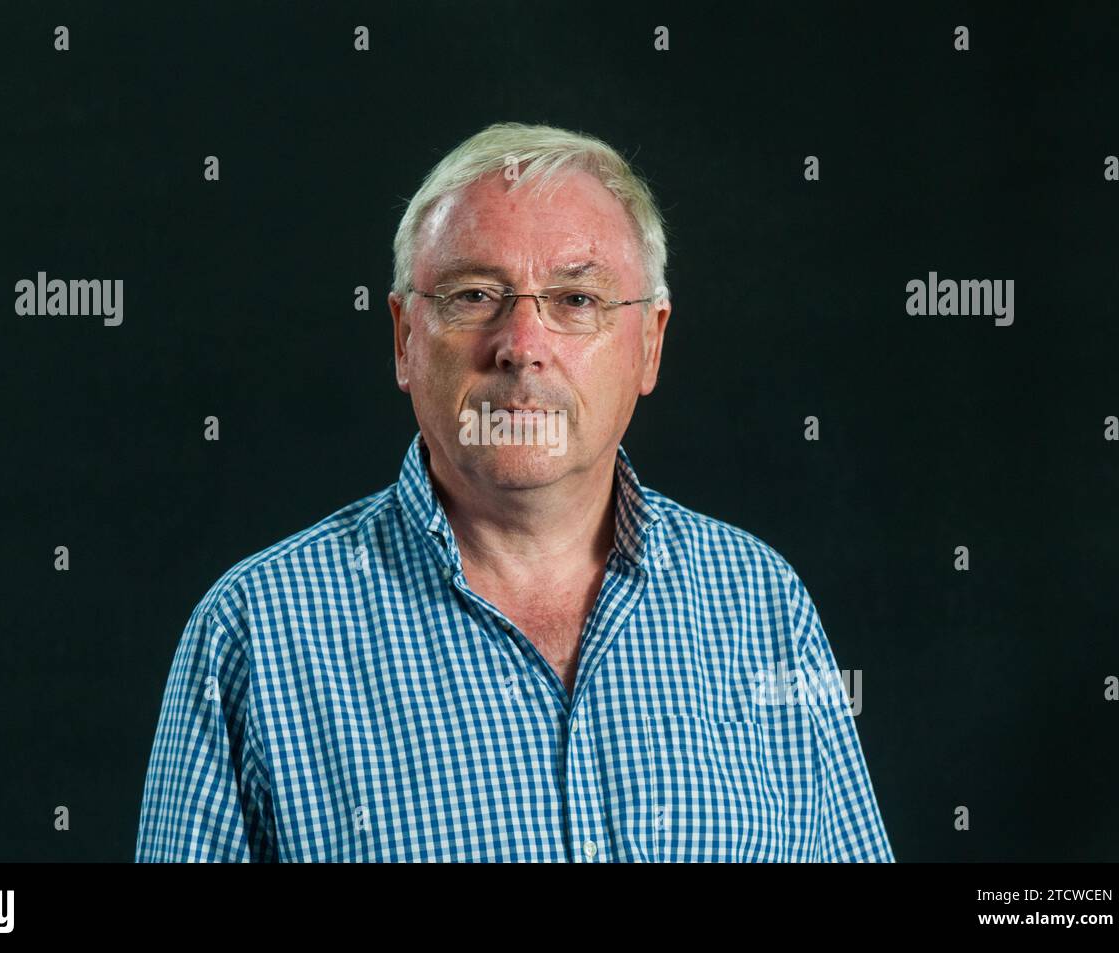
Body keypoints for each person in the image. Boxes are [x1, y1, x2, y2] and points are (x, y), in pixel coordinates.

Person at [135, 122, 894, 862]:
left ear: (651, 343)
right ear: (403, 338)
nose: (523, 346)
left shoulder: (761, 605)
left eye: (576, 300)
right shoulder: (254, 635)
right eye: (472, 295)